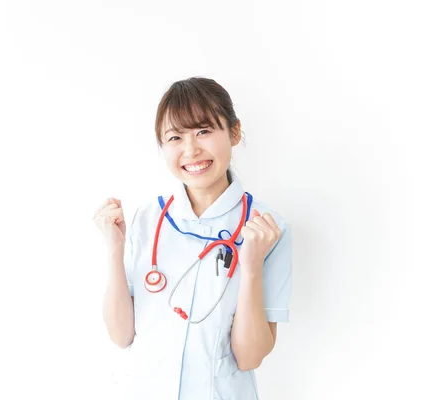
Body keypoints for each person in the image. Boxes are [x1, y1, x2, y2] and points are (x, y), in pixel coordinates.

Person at [93, 77, 293, 400]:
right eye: (175, 137)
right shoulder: (146, 219)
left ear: (234, 132)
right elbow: (121, 334)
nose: (191, 150)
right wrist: (114, 251)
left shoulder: (268, 229)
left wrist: (251, 266)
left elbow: (250, 356)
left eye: (203, 131)